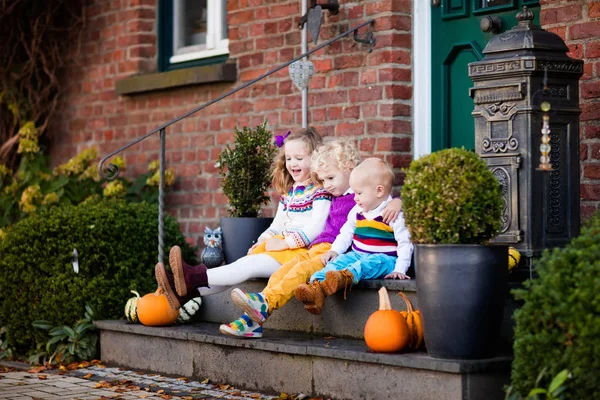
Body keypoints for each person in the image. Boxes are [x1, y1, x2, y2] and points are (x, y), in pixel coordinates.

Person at [220, 141, 403, 337]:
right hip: (317, 247)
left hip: (333, 252)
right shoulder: (335, 194)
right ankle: (255, 314)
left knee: (300, 271)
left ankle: (264, 304)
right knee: (286, 270)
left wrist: (398, 201)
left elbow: (382, 196)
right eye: (323, 180)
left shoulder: (361, 196)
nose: (327, 185)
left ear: (350, 169)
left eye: (331, 178)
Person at [155, 127, 333, 315]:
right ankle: (184, 293)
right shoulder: (290, 192)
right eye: (288, 158)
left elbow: (317, 227)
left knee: (247, 266)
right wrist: (262, 241)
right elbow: (277, 224)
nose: (292, 163)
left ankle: (192, 276)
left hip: (300, 254)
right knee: (237, 268)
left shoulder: (320, 191)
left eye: (299, 158)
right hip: (281, 247)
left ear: (314, 159)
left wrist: (284, 243)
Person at [295, 157, 413, 315]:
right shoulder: (357, 211)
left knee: (370, 263)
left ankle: (343, 278)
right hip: (358, 254)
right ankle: (315, 288)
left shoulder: (392, 214)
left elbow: (405, 243)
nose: (355, 197)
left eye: (359, 193)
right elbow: (346, 233)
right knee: (340, 261)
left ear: (379, 191)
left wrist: (400, 269)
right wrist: (334, 251)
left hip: (386, 259)